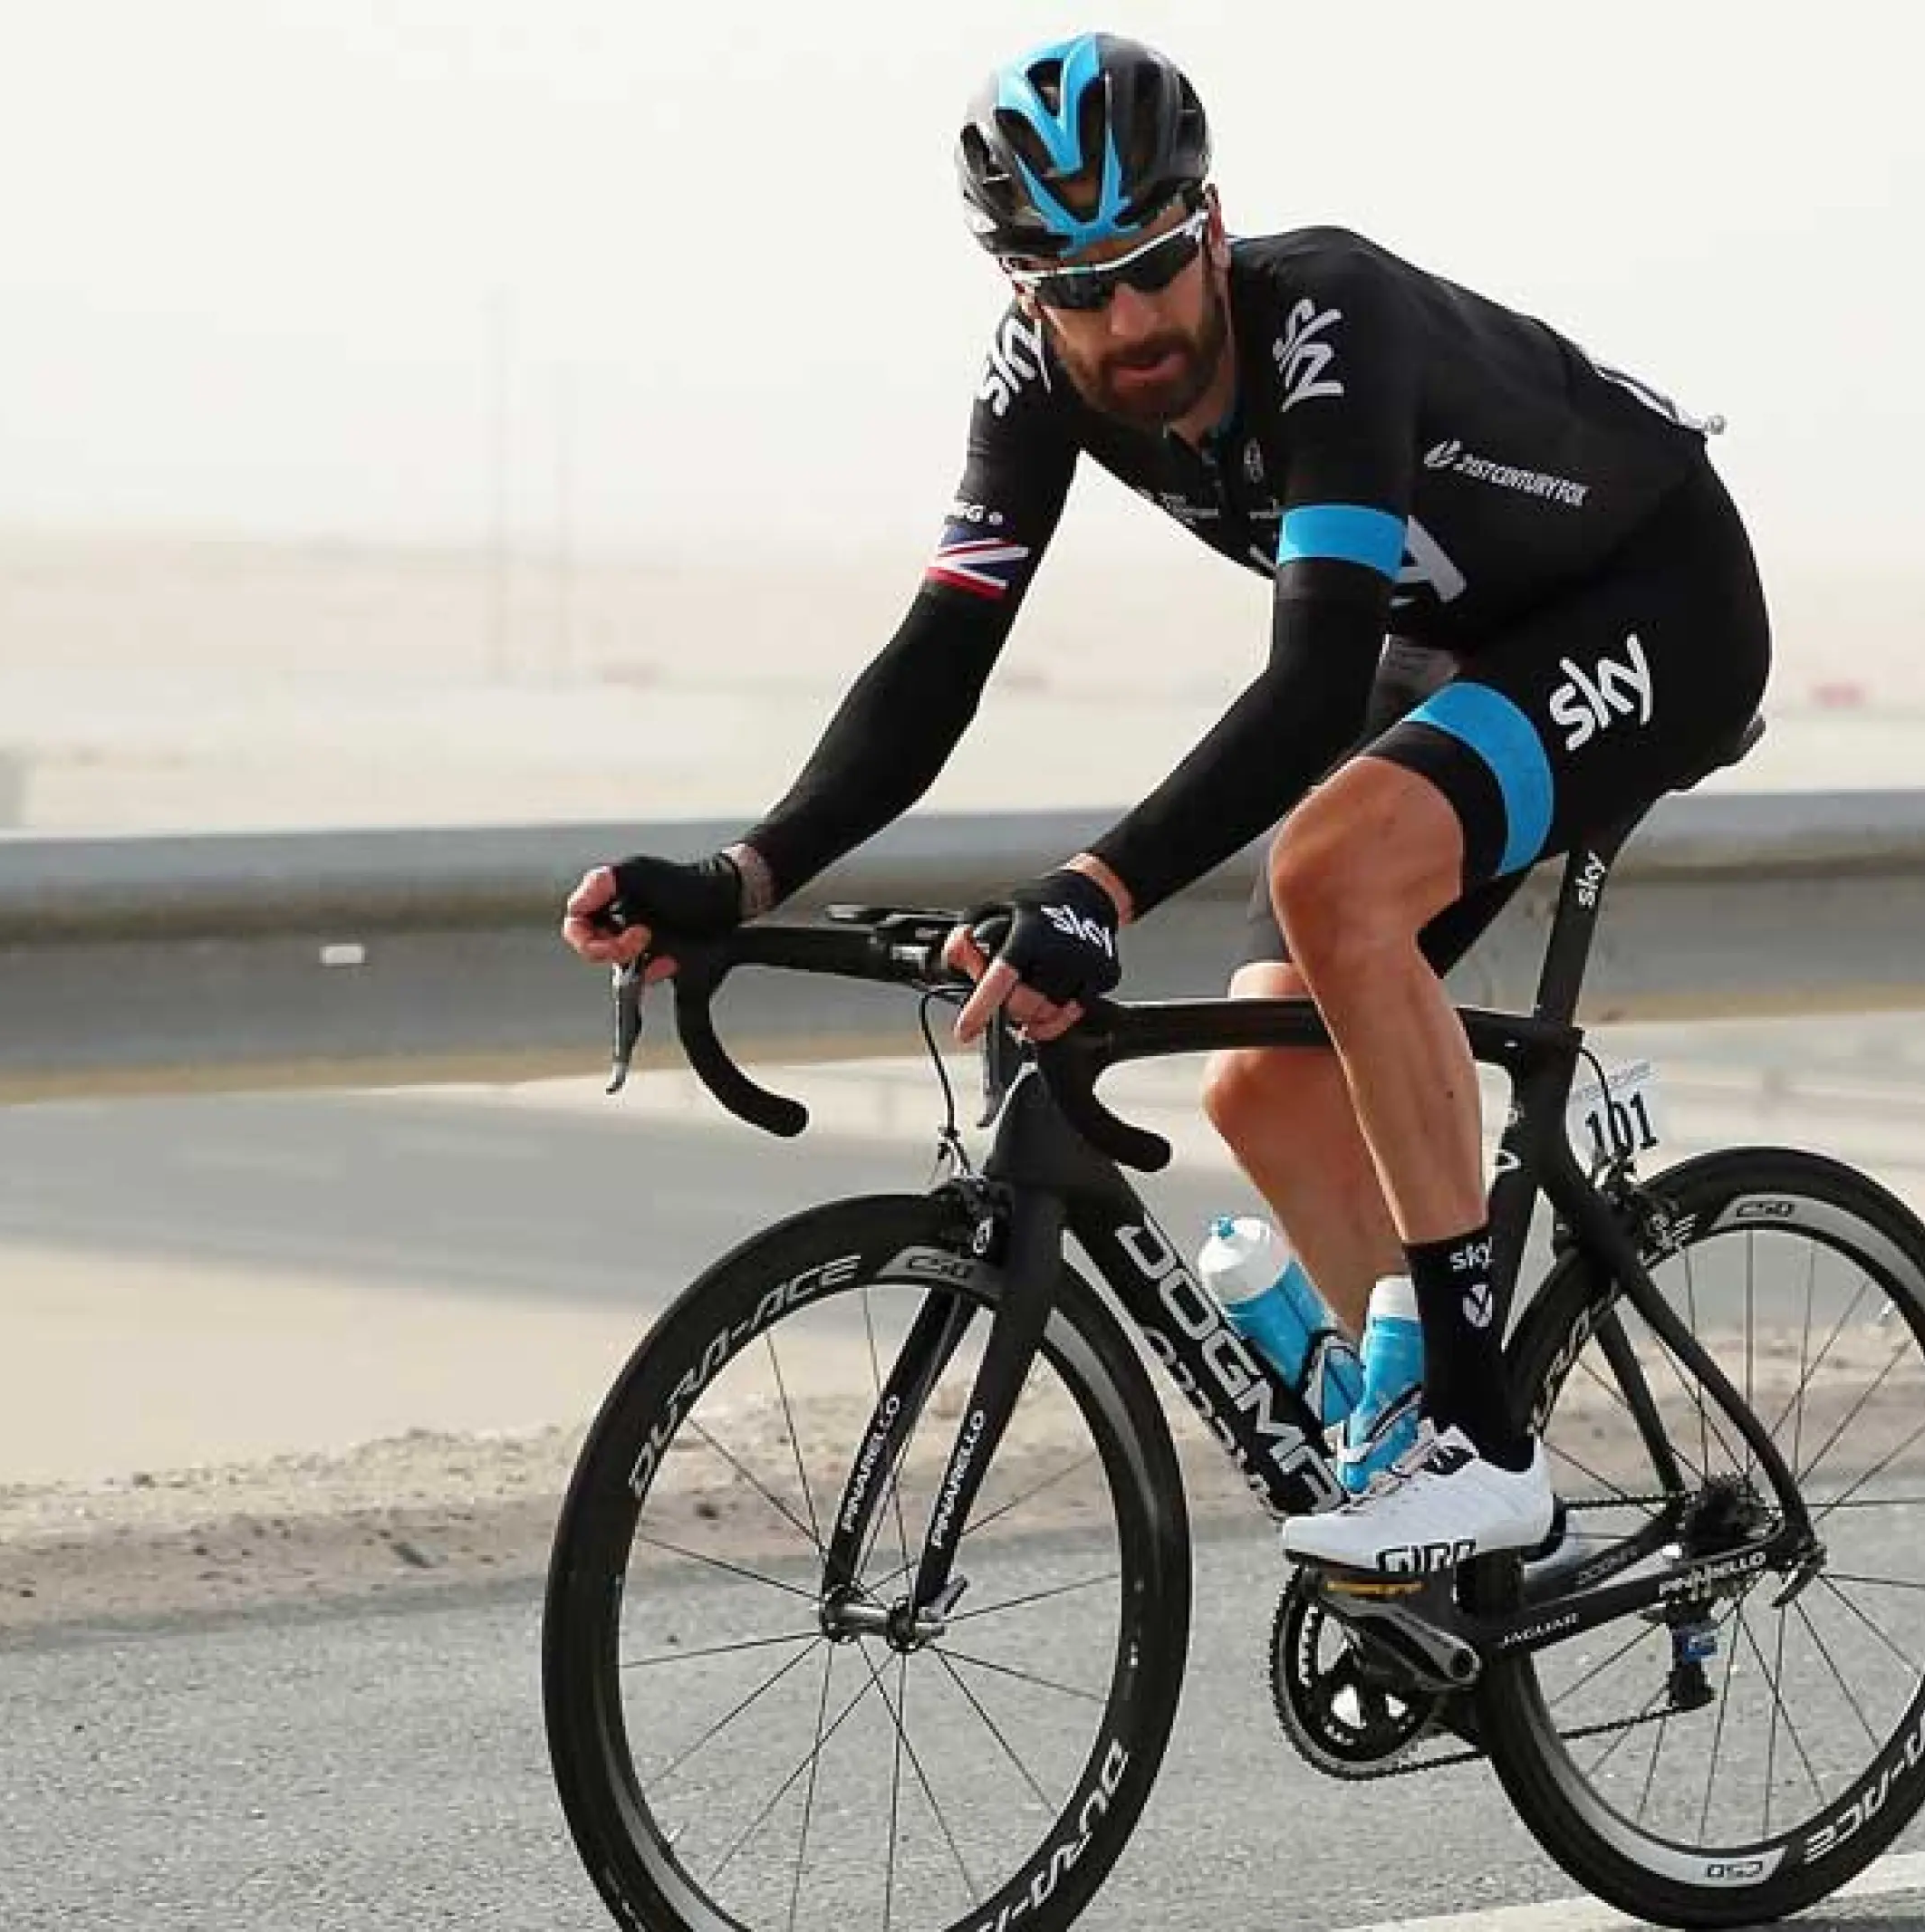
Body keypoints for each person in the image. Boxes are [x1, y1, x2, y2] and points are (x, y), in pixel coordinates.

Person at [564, 32, 1770, 1574]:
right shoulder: (1037, 380)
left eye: (1148, 265)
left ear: (1209, 225)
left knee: (1335, 875)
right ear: (1022, 289)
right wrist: (744, 876)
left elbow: (1315, 682)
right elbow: (944, 652)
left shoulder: (1328, 318)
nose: (1126, 320)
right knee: (1260, 1083)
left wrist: (1096, 890)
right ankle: (1436, 1491)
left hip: (1655, 596)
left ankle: (1484, 1452)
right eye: (1076, 287)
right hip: (1464, 636)